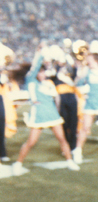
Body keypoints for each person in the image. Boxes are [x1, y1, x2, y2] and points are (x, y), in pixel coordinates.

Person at [11, 45, 79, 174]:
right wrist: (40, 54)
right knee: (31, 142)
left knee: (62, 139)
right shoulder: (31, 81)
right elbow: (35, 67)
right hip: (39, 115)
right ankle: (18, 163)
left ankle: (70, 161)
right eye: (40, 72)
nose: (42, 74)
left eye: (43, 72)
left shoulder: (48, 83)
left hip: (52, 114)